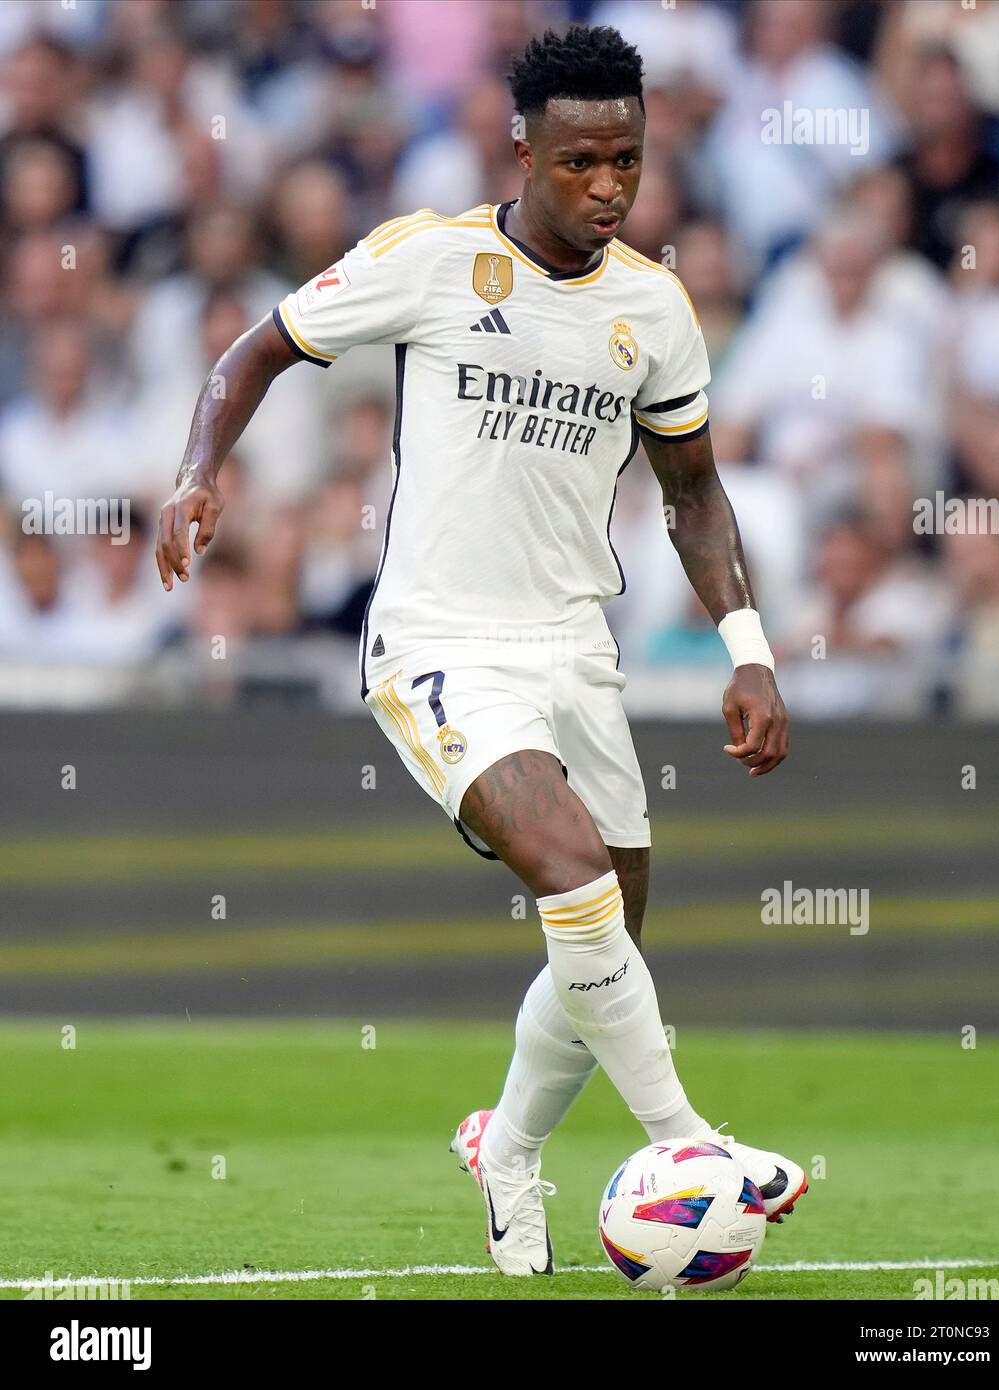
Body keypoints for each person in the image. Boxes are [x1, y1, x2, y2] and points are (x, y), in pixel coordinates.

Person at [155, 24, 804, 1280]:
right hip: (439, 639)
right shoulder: (431, 260)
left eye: (626, 160)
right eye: (580, 162)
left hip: (575, 644)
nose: (607, 186)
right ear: (524, 146)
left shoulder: (652, 308)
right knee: (570, 872)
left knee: (606, 919)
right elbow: (256, 351)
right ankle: (689, 1144)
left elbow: (695, 494)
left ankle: (505, 1148)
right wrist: (195, 476)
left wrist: (750, 648)